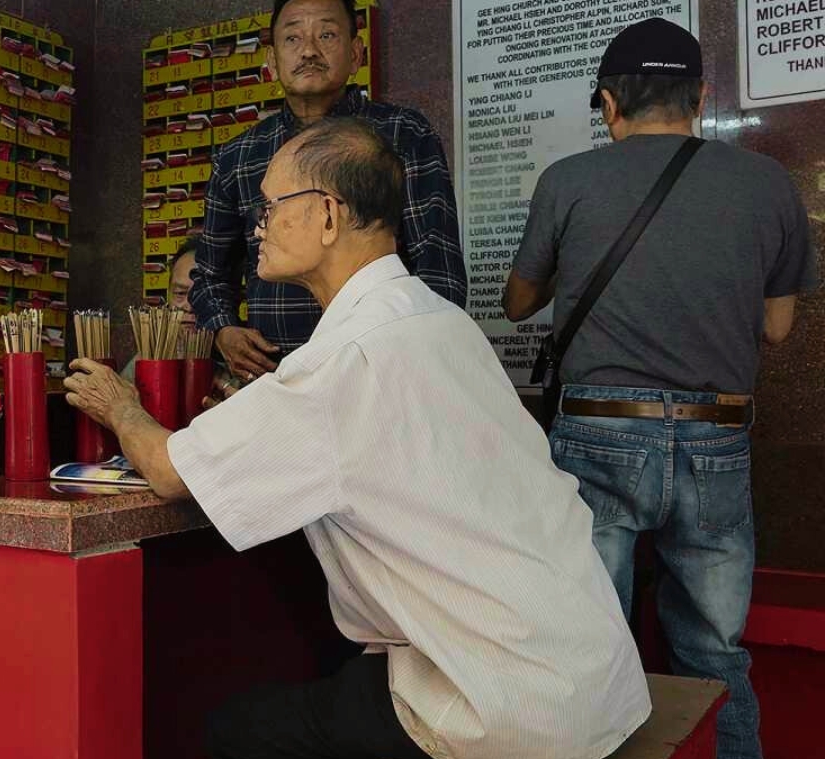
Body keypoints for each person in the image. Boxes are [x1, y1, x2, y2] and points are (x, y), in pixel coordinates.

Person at [67, 117, 649, 759]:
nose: (256, 228)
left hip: (500, 709)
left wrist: (121, 409)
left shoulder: (342, 358)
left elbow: (175, 473)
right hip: (593, 674)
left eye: (268, 207)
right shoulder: (441, 320)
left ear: (326, 214)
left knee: (230, 731)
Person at [503, 18, 818, 759]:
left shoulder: (567, 181)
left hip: (598, 432)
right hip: (717, 434)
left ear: (608, 103)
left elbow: (519, 304)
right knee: (714, 649)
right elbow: (776, 329)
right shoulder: (768, 183)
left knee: (592, 644)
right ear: (701, 98)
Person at [190, 0, 465, 383]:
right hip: (274, 381)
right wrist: (224, 331)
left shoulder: (402, 135)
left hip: (379, 375)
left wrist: (412, 366)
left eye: (327, 34)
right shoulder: (239, 156)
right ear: (271, 60)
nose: (308, 50)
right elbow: (208, 276)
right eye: (292, 37)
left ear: (356, 54)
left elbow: (440, 276)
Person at [121, 238, 200, 381]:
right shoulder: (149, 360)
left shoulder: (234, 364)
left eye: (200, 294)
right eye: (180, 293)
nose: (189, 306)